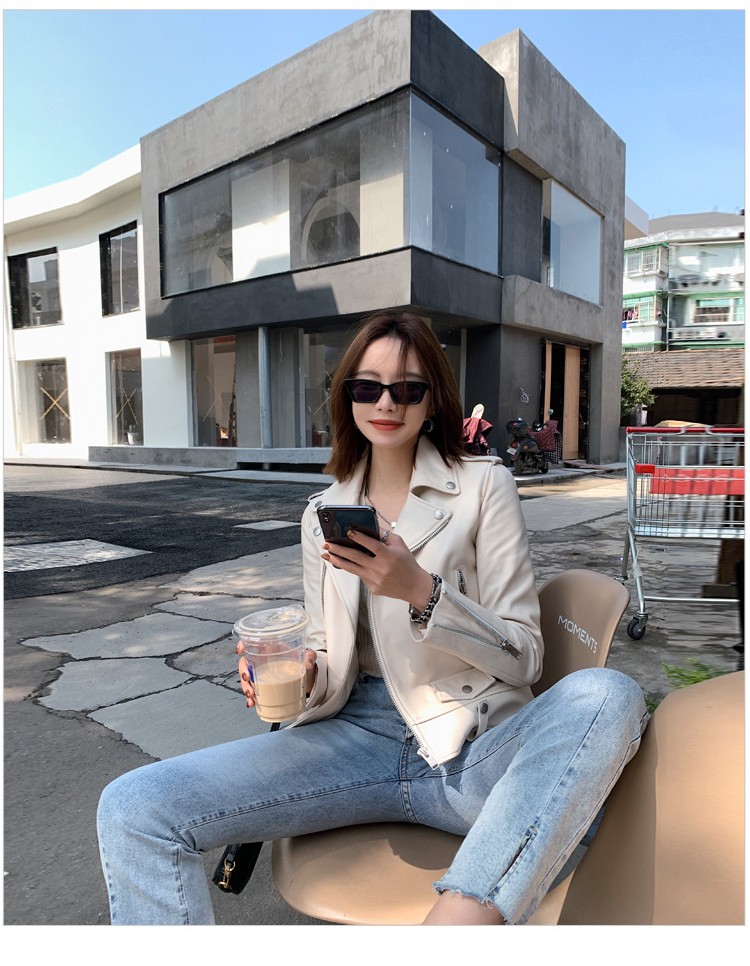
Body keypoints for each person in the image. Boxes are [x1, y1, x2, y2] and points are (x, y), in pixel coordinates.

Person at [97, 311, 647, 925]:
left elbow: (526, 657)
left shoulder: (484, 487)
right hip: (352, 741)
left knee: (606, 694)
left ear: (432, 401)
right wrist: (300, 676)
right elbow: (323, 652)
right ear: (347, 396)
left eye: (408, 389)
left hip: (469, 746)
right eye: (368, 387)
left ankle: (460, 924)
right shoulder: (322, 514)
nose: (386, 403)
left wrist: (423, 594)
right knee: (134, 807)